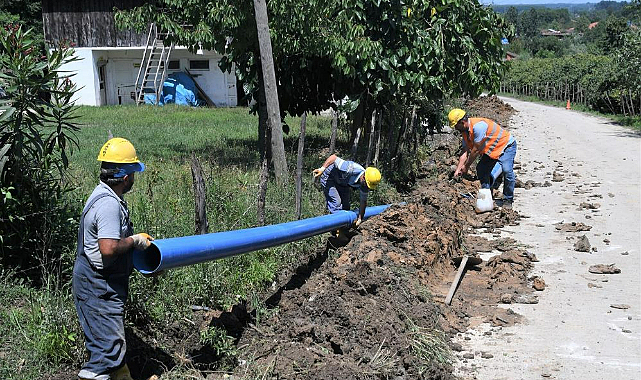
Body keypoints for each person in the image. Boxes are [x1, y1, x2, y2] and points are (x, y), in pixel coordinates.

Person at [73, 137, 154, 380]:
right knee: (106, 353)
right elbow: (108, 249)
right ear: (127, 176)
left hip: (102, 283)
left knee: (112, 349)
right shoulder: (108, 204)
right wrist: (135, 241)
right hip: (97, 285)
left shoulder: (103, 194)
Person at [448, 108, 518, 208]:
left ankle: (508, 199)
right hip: (492, 151)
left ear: (462, 122)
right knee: (481, 169)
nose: (455, 128)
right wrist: (458, 169)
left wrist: (466, 166)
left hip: (506, 146)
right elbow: (465, 152)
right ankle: (487, 196)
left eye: (456, 125)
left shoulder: (478, 127)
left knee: (507, 170)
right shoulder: (464, 132)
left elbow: (476, 150)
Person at [312, 154, 381, 229]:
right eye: (366, 184)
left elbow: (363, 202)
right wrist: (322, 169)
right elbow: (333, 157)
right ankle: (337, 231)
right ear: (363, 177)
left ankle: (344, 228)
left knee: (346, 206)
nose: (366, 187)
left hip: (342, 182)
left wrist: (360, 218)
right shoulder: (349, 168)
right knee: (336, 203)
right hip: (329, 178)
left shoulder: (365, 184)